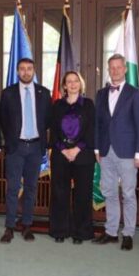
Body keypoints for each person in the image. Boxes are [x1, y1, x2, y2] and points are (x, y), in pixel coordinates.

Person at [93, 54, 139, 251]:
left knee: (129, 194)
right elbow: (98, 124)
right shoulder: (101, 94)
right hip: (106, 151)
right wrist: (97, 148)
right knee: (109, 192)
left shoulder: (135, 93)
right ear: (108, 70)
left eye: (118, 67)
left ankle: (128, 233)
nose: (115, 70)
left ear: (125, 69)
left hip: (128, 152)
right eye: (111, 67)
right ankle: (111, 232)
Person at [0, 58, 51, 243]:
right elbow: (2, 119)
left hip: (35, 147)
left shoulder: (44, 93)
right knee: (12, 189)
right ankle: (9, 227)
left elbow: (48, 120)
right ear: (17, 71)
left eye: (29, 69)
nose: (26, 72)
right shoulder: (8, 93)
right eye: (22, 69)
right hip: (16, 147)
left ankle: (27, 226)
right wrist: (9, 141)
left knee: (31, 188)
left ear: (34, 71)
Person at [48, 71, 96, 244]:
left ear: (80, 84)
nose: (73, 84)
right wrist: (63, 149)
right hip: (61, 155)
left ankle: (80, 232)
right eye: (69, 81)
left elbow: (91, 130)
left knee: (82, 194)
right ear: (64, 85)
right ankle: (59, 230)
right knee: (59, 193)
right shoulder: (57, 105)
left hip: (83, 155)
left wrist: (76, 149)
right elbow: (53, 130)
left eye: (76, 81)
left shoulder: (88, 104)